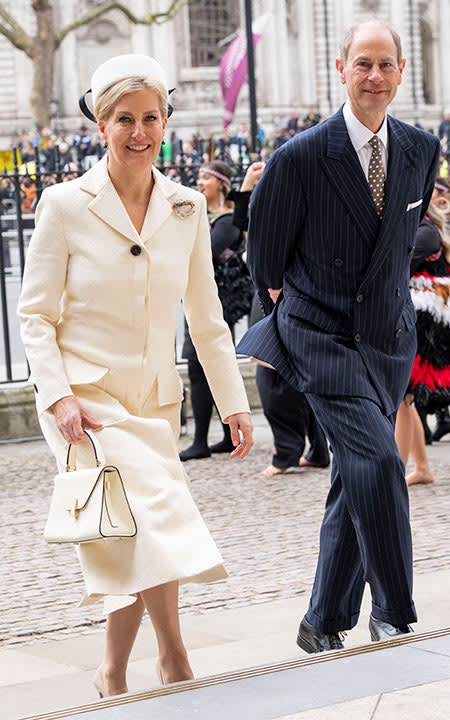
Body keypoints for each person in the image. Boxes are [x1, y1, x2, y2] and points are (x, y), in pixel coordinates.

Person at [18, 54, 253, 697]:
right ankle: (175, 660)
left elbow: (206, 319)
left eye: (151, 118)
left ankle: (112, 671)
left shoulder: (184, 207)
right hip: (84, 403)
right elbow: (35, 316)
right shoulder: (65, 205)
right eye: (125, 118)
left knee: (131, 534)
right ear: (102, 125)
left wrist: (234, 403)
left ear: (166, 124)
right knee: (150, 522)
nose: (139, 131)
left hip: (151, 400)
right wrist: (60, 395)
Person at [237, 20, 440, 650]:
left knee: (354, 475)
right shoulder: (299, 156)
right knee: (380, 460)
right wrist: (297, 319)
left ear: (401, 72)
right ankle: (394, 611)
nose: (374, 77)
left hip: (387, 340)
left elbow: (404, 241)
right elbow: (264, 262)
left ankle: (322, 622)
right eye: (362, 65)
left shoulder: (420, 148)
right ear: (340, 68)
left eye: (385, 65)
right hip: (321, 337)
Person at [180, 161, 249, 460]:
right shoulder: (201, 217)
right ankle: (225, 436)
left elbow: (203, 253)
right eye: (198, 177)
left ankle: (199, 442)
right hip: (200, 299)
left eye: (206, 178)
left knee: (202, 367)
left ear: (221, 184)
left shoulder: (226, 220)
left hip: (217, 303)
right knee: (204, 369)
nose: (199, 183)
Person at [397, 194, 450, 484]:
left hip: (425, 323)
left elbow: (394, 260)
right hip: (418, 318)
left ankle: (396, 472)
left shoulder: (426, 232)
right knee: (407, 398)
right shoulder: (423, 228)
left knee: (403, 397)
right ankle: (422, 468)